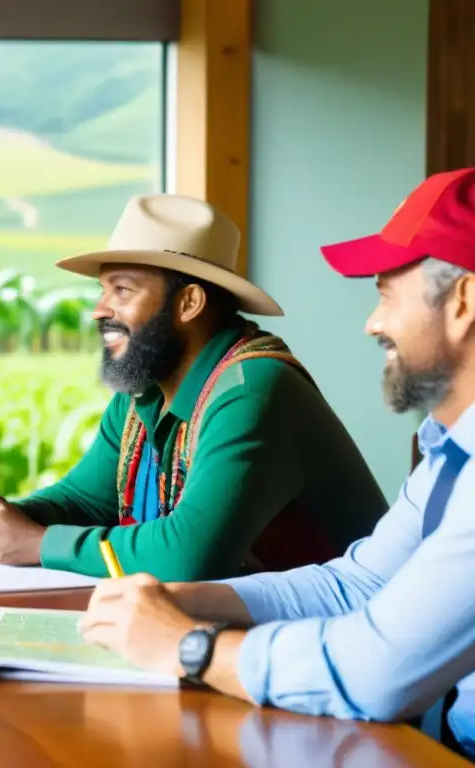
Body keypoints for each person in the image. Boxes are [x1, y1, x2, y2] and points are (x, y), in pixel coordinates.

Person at [78, 168, 475, 760]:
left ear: (464, 301)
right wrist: (192, 601)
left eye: (386, 292)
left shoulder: (251, 384)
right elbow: (356, 582)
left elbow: (376, 671)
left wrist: (188, 646)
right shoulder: (449, 449)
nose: (372, 322)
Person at [0, 193, 386, 578]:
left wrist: (39, 543)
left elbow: (189, 556)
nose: (100, 311)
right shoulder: (143, 394)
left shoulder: (251, 389)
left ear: (189, 303)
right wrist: (3, 516)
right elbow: (85, 499)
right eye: (103, 291)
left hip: (336, 638)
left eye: (122, 290)